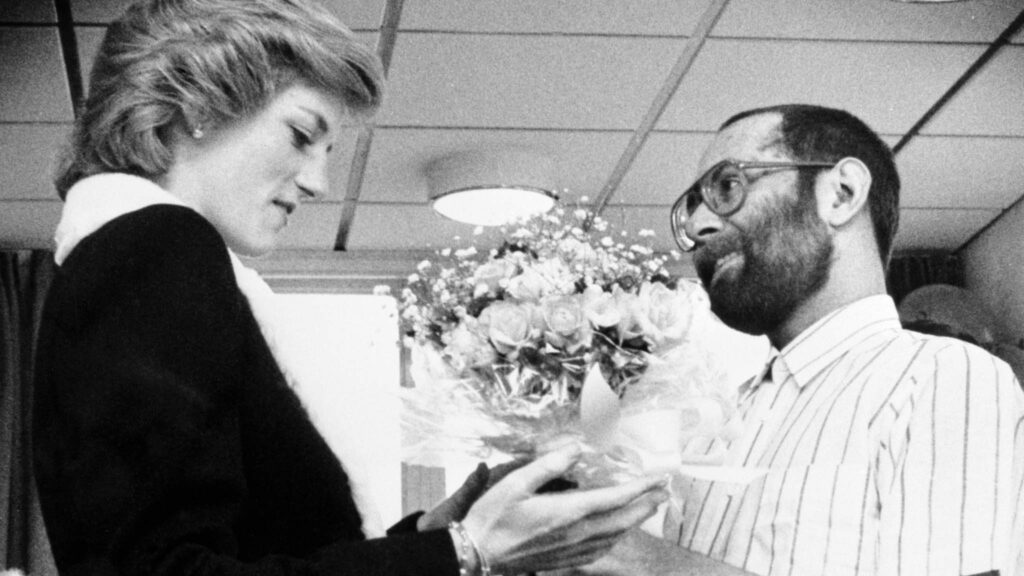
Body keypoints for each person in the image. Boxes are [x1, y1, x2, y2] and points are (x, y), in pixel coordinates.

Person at [30, 1, 670, 575]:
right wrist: (466, 553)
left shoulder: (137, 260)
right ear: (195, 106)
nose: (318, 182)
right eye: (302, 135)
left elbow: (260, 551)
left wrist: (432, 530)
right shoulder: (157, 248)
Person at [548, 104, 1024, 576]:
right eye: (690, 211)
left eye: (727, 187)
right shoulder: (721, 421)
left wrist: (640, 561)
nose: (696, 228)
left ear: (841, 193)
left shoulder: (945, 378)